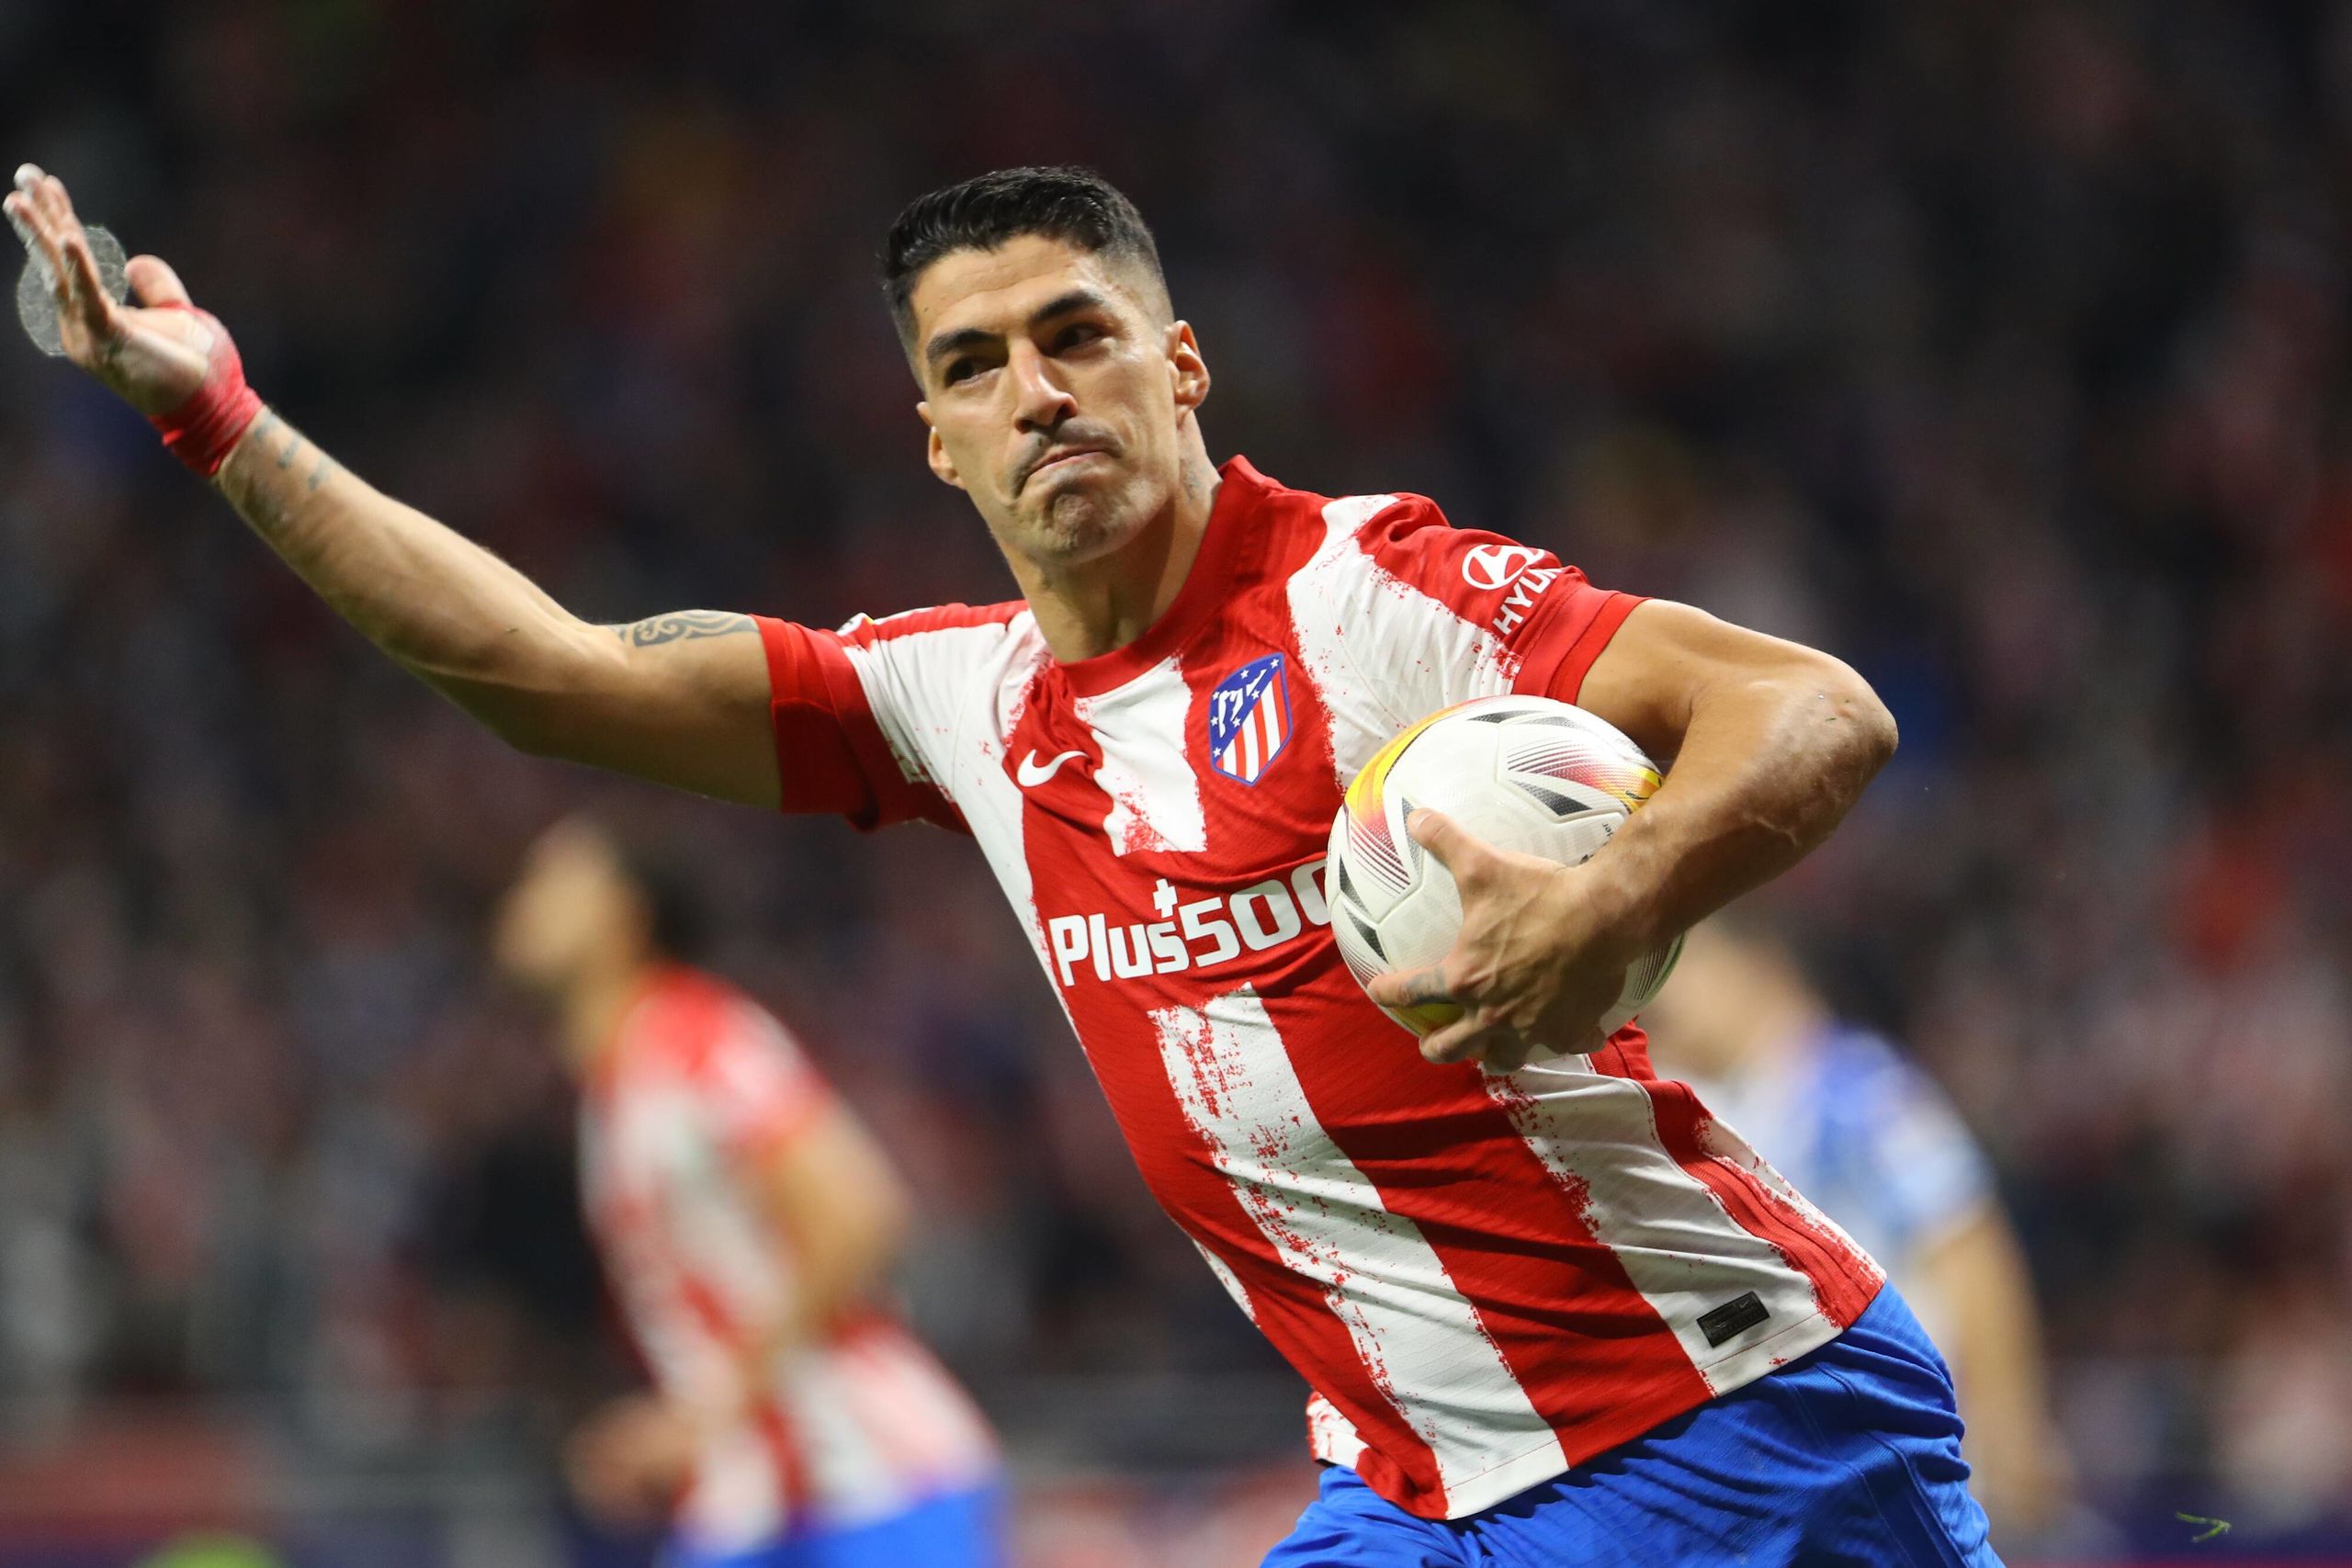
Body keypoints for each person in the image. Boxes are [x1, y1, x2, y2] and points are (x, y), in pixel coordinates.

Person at [11, 160, 1989, 1564]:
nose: (1035, 389)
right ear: (935, 440)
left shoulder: (1368, 590)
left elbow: (1809, 705)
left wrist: (1620, 892)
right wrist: (222, 421)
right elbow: (546, 674)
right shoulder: (954, 698)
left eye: (1077, 335)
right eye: (974, 364)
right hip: (1409, 1485)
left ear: (1179, 365)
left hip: (1733, 1423)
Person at [492, 814, 1003, 1567]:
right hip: (755, 1503)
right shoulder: (616, 1090)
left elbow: (857, 1216)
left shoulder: (700, 1038)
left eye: (556, 876)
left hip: (868, 1487)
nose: (522, 898)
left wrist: (707, 1411)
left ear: (626, 913)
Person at [1644, 916, 2074, 1543]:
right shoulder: (1738, 1102)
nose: (1665, 993)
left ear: (1759, 964)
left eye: (1689, 963)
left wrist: (2012, 1424)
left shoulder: (1857, 1088)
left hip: (1908, 1443)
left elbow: (1967, 1241)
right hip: (1822, 1465)